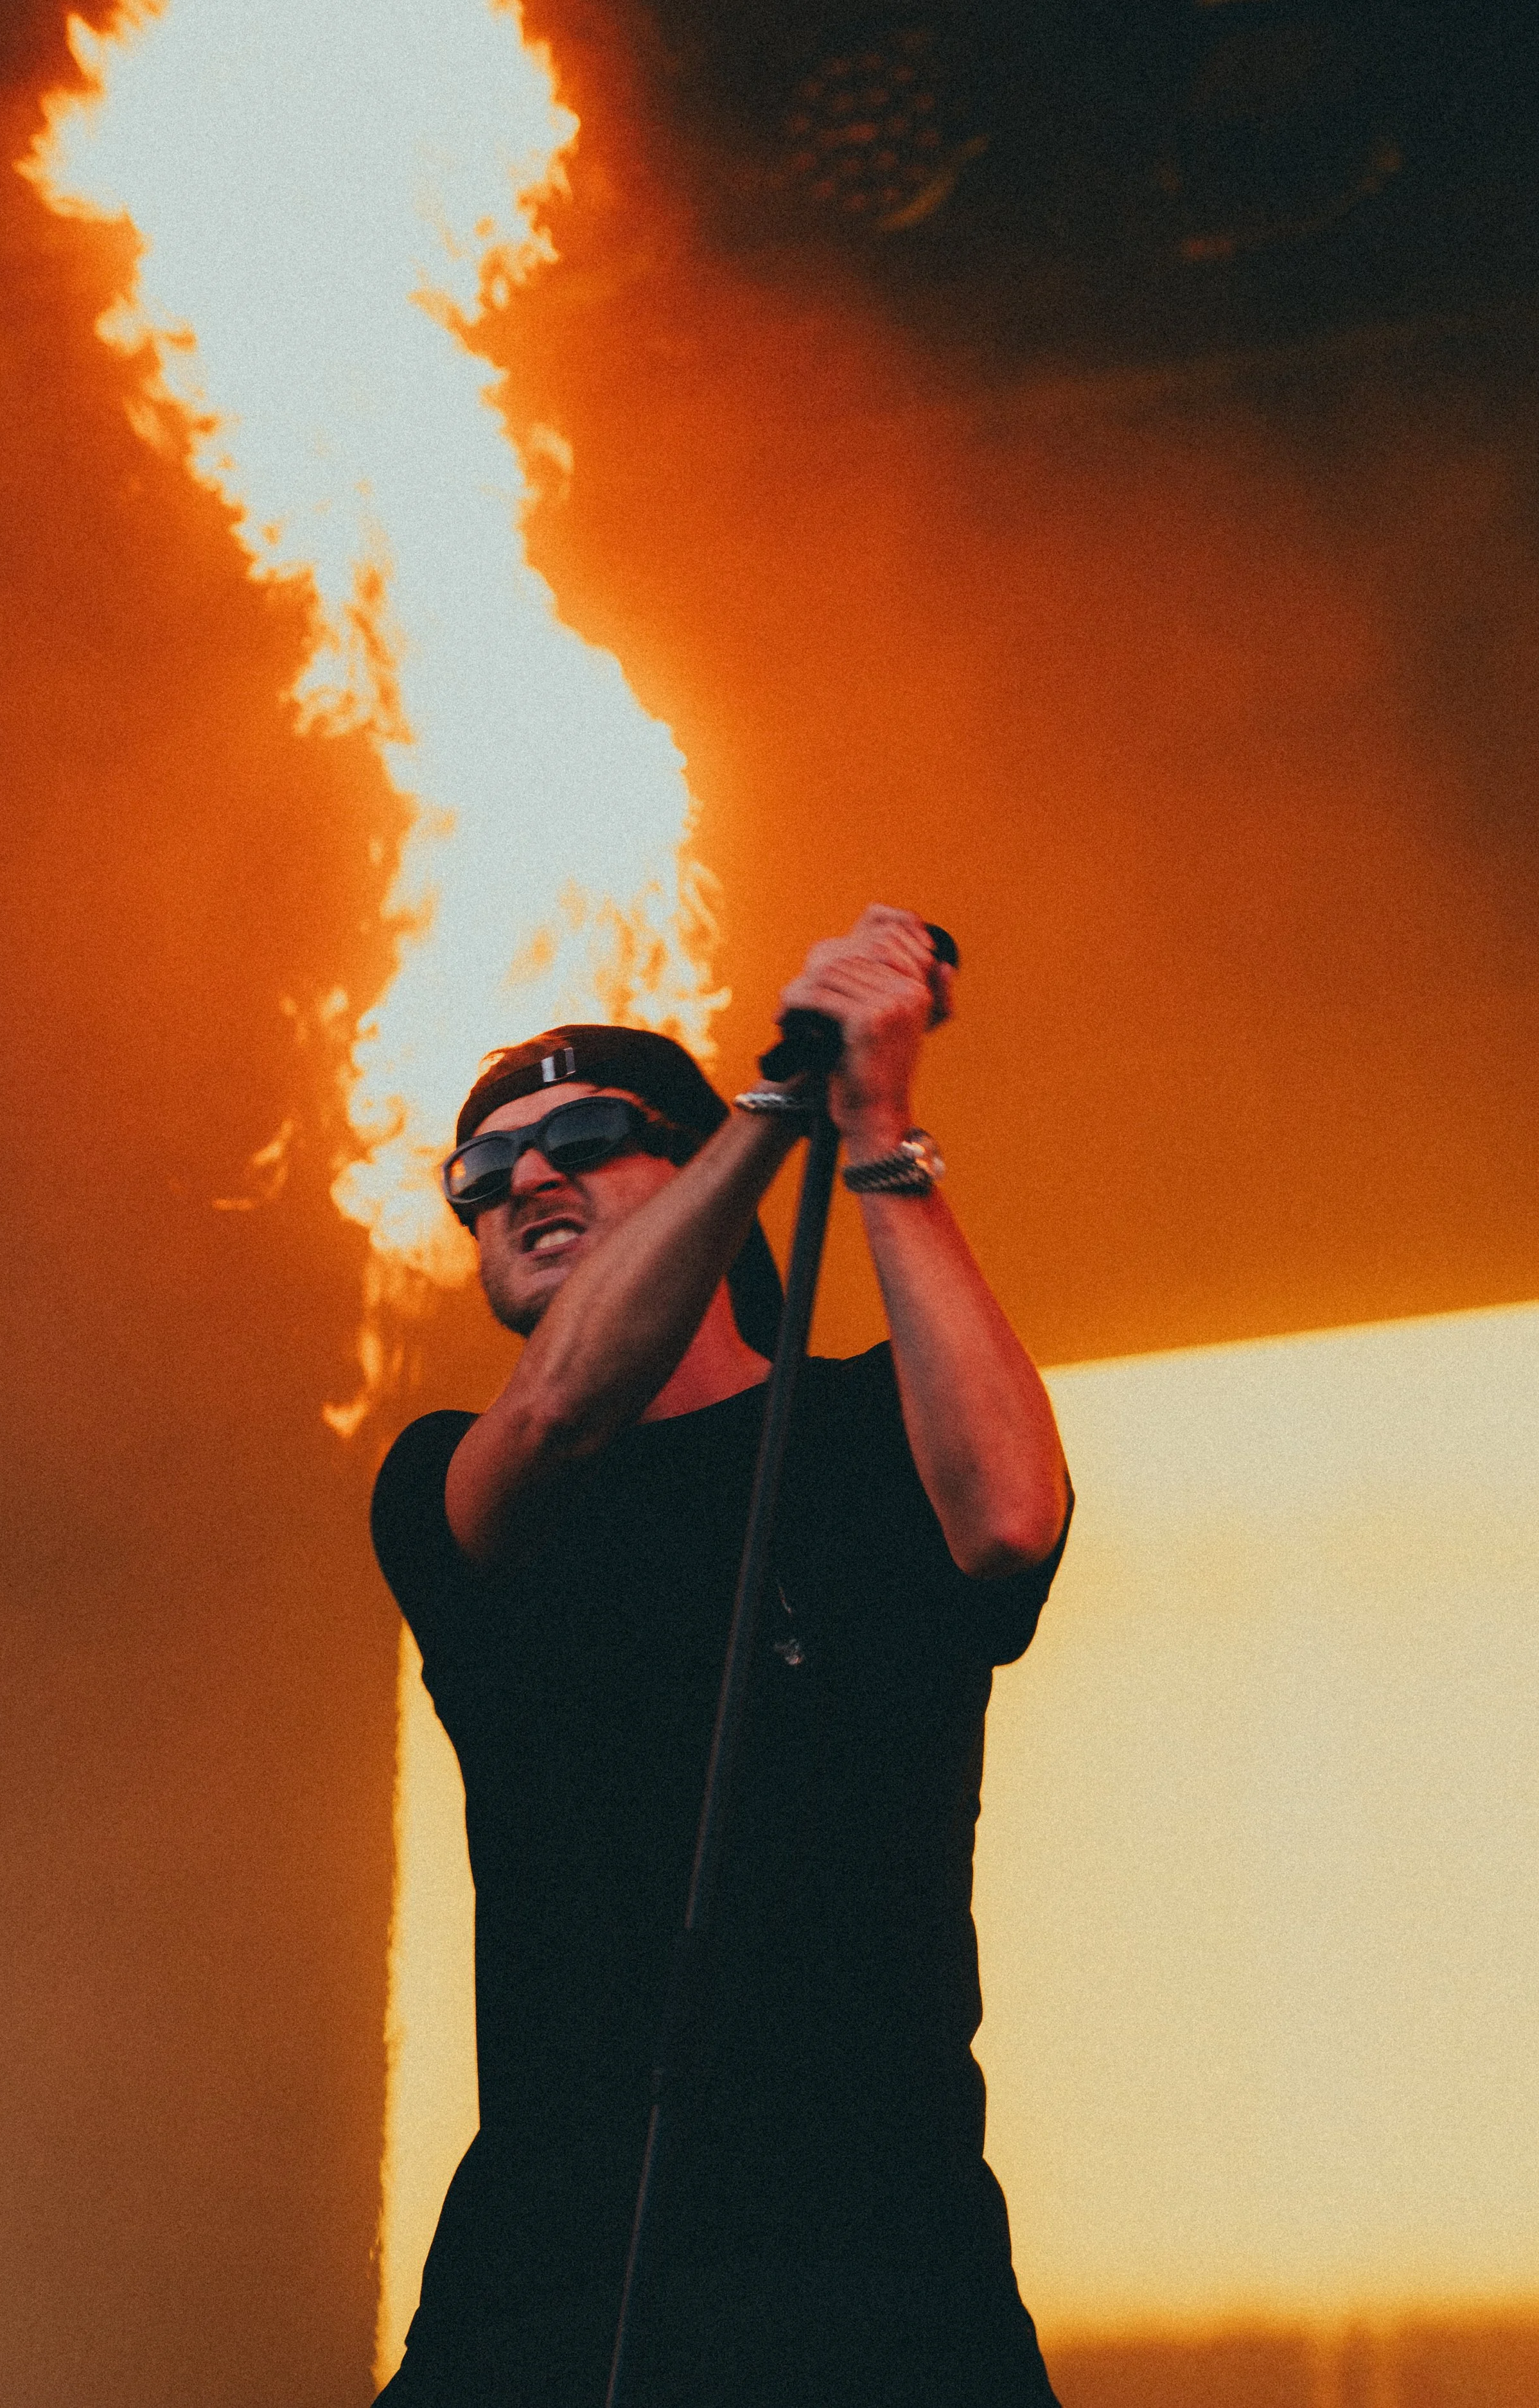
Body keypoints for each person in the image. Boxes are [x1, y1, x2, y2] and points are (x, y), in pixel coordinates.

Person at [370, 906, 1073, 2407]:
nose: (525, 1180)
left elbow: (1009, 1523)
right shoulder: (450, 1479)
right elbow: (560, 1411)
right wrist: (768, 1109)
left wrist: (872, 1126)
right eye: (482, 1173)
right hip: (553, 2287)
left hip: (878, 2272)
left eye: (588, 1136)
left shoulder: (873, 1427)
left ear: (692, 1168)